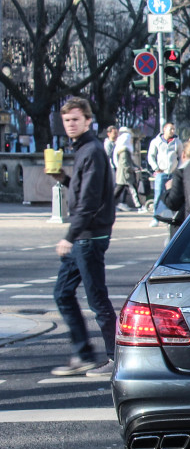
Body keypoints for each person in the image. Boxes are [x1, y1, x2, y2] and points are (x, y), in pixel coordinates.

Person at [50, 98, 117, 378]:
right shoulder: (84, 150)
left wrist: (70, 235)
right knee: (63, 293)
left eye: (76, 119)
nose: (71, 124)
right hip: (85, 236)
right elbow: (84, 191)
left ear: (88, 121)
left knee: (97, 299)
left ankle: (116, 358)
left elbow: (89, 202)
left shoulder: (91, 150)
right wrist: (64, 178)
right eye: (67, 120)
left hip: (88, 237)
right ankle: (84, 354)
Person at [147, 122, 180, 227]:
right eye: (170, 129)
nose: (172, 131)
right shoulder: (156, 142)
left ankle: (169, 218)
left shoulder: (177, 142)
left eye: (173, 129)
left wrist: (178, 169)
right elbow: (151, 156)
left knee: (172, 196)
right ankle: (155, 218)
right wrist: (156, 168)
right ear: (164, 129)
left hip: (173, 173)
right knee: (158, 196)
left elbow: (180, 157)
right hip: (161, 173)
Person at [112, 127, 142, 210]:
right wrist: (132, 168)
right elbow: (126, 164)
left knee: (119, 190)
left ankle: (111, 204)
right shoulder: (124, 151)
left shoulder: (124, 151)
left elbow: (130, 162)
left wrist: (136, 166)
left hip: (124, 173)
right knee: (133, 189)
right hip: (126, 173)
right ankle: (139, 206)